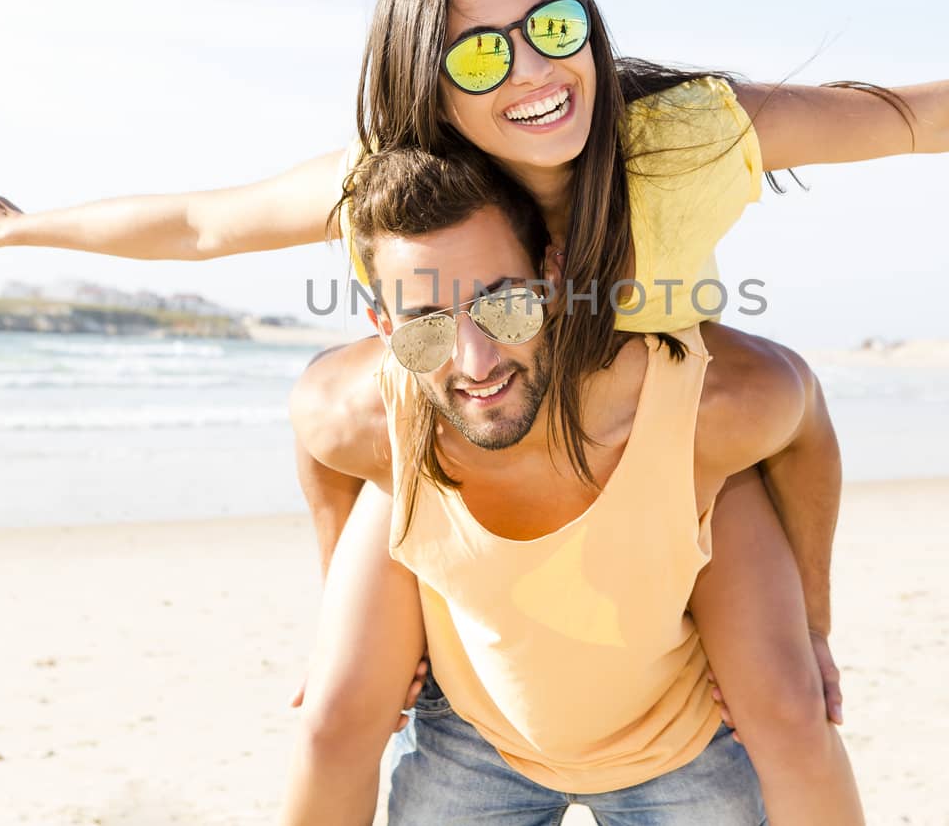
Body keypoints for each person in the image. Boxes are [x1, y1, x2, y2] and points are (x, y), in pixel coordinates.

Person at [0, 0, 949, 817]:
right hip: (472, 444)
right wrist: (15, 223)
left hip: (660, 441)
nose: (535, 69)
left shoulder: (677, 134)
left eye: (554, 24)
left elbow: (916, 116)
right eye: (482, 48)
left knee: (791, 708)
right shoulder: (396, 188)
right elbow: (205, 222)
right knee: (337, 703)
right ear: (423, 76)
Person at [289, 144, 862, 824]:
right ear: (384, 327)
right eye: (425, 325)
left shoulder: (709, 399)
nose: (475, 361)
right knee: (327, 720)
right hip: (477, 738)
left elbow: (806, 423)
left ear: (552, 278)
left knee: (797, 715)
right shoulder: (355, 412)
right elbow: (318, 443)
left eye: (501, 303)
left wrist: (814, 622)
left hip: (678, 742)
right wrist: (336, 615)